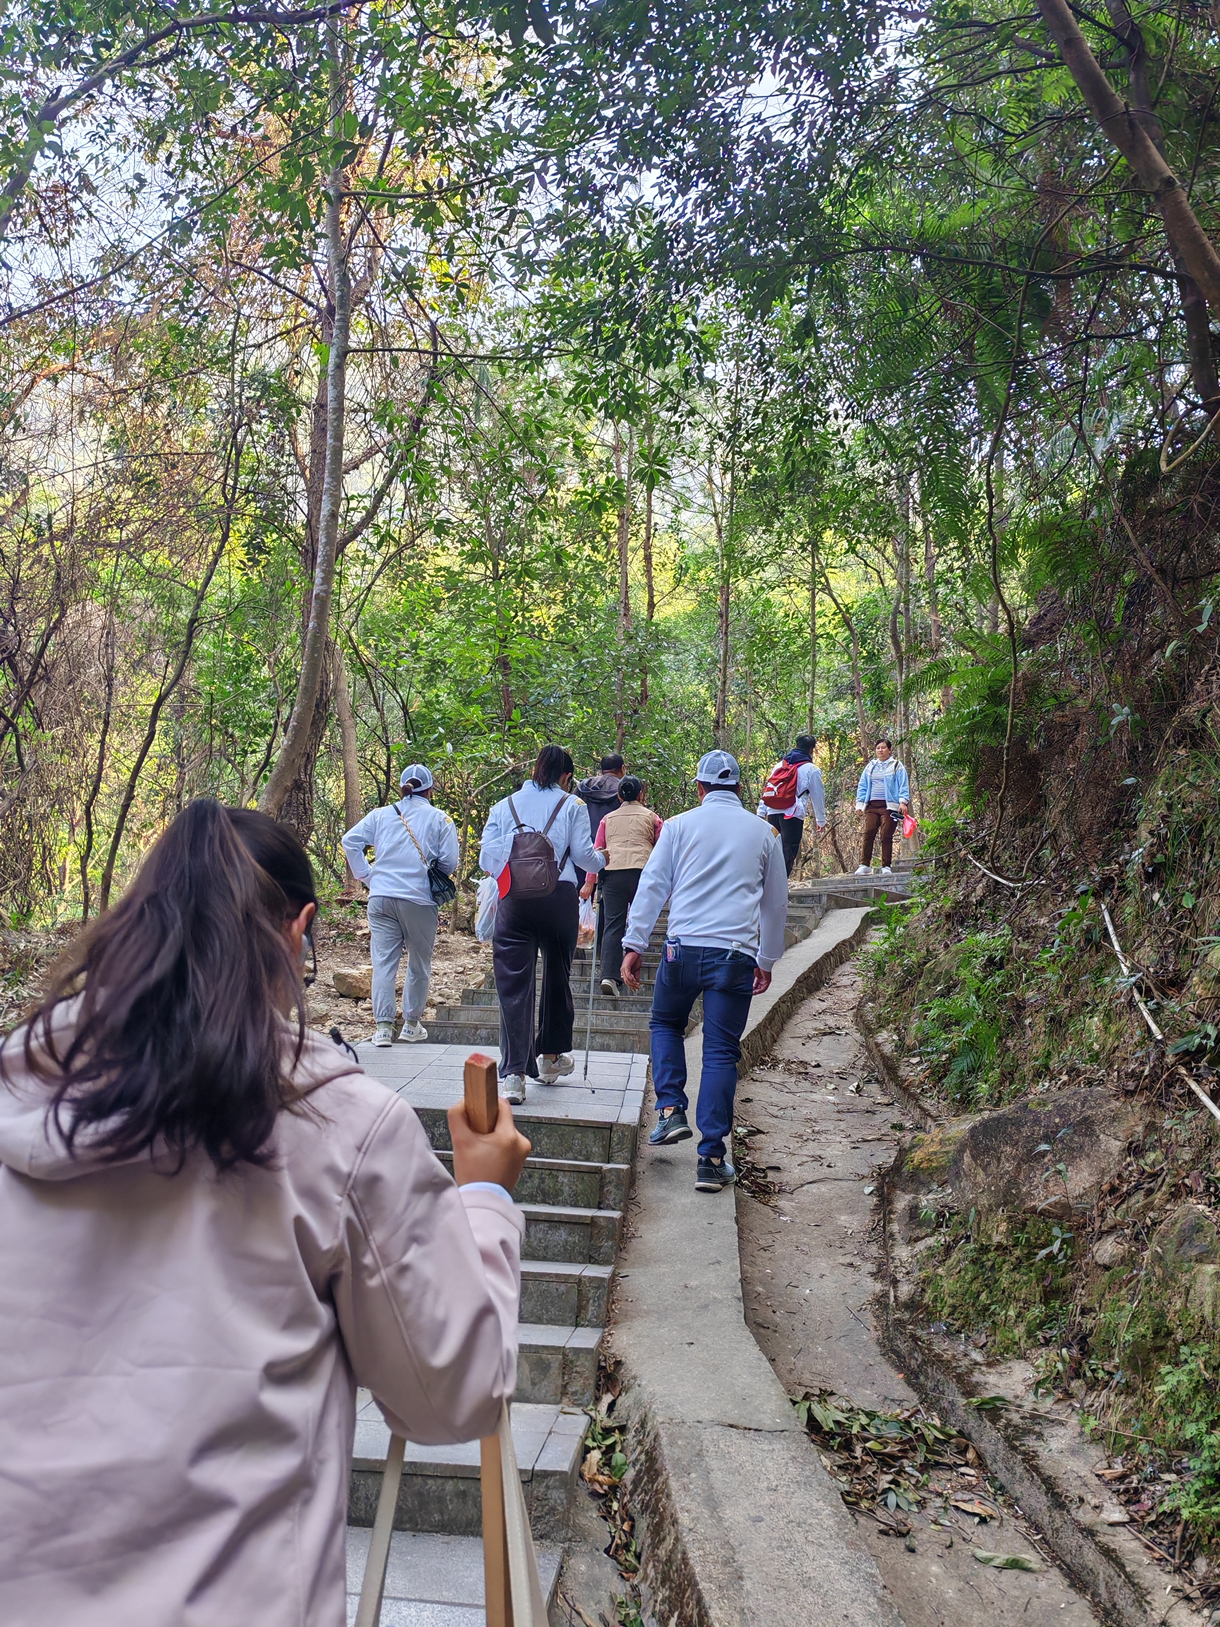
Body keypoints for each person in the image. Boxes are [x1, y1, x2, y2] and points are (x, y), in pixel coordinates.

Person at [0, 800, 530, 1627]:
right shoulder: (341, 1127)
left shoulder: (15, 1098)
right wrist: (486, 1198)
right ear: (300, 930)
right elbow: (452, 1394)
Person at [621, 750, 787, 1193]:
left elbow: (653, 885)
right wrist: (766, 959)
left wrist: (634, 944)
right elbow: (775, 905)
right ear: (739, 788)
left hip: (681, 952)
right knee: (719, 1052)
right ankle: (712, 1159)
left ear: (699, 788)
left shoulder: (677, 826)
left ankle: (670, 1108)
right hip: (734, 956)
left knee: (665, 1022)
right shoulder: (765, 832)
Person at [479, 745, 606, 1104]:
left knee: (513, 986)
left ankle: (514, 1076)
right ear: (566, 776)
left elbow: (486, 858)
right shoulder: (573, 805)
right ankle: (550, 1058)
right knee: (557, 975)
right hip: (558, 898)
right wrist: (602, 859)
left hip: (514, 902)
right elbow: (584, 857)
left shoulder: (504, 806)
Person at [341, 763, 460, 1046]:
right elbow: (449, 862)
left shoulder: (381, 815)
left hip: (381, 897)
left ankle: (383, 1028)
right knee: (419, 962)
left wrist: (366, 875)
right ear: (430, 790)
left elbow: (350, 841)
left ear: (402, 788)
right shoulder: (440, 819)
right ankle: (410, 1024)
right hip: (418, 899)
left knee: (383, 963)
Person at [579, 775, 662, 997]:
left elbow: (597, 852)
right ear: (641, 794)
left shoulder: (608, 819)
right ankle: (635, 969)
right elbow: (663, 849)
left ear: (618, 796)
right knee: (639, 920)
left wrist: (589, 882)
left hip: (612, 873)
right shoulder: (652, 818)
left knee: (612, 925)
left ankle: (608, 976)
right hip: (642, 874)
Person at [756, 732, 827, 877]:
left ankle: (767, 885)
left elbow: (769, 788)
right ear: (812, 749)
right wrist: (821, 820)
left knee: (772, 850)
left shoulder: (779, 765)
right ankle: (781, 888)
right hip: (792, 814)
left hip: (773, 812)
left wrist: (761, 811)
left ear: (796, 745)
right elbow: (817, 796)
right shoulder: (812, 769)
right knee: (788, 851)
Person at [854, 738, 911, 875]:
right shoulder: (870, 766)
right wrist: (860, 804)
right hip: (872, 805)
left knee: (886, 834)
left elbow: (903, 784)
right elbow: (863, 786)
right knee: (869, 832)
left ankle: (886, 866)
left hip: (890, 805)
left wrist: (903, 802)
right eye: (878, 748)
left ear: (889, 750)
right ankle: (864, 864)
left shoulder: (897, 765)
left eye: (883, 747)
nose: (880, 750)